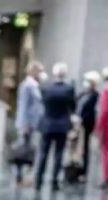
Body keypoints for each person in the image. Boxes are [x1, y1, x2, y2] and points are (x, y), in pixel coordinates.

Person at [36, 62, 76, 191]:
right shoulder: (69, 89)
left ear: (54, 73)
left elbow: (42, 102)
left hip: (47, 125)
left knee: (43, 154)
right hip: (62, 126)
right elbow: (73, 106)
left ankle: (38, 181)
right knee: (58, 154)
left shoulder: (46, 88)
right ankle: (54, 182)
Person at [13, 61, 44, 185]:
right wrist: (24, 124)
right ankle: (19, 176)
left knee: (28, 149)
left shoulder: (35, 85)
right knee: (22, 150)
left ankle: (24, 176)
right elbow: (24, 106)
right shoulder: (27, 86)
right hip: (26, 123)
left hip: (32, 123)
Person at [76, 71, 100, 182]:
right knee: (76, 147)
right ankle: (75, 169)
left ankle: (84, 172)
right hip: (77, 123)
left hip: (86, 124)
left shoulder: (95, 95)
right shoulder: (82, 93)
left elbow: (89, 109)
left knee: (85, 148)